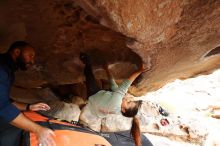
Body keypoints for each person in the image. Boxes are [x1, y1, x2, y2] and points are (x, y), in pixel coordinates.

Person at [80, 53, 145, 146]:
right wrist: (107, 69)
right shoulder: (118, 108)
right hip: (96, 109)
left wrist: (140, 70)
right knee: (113, 90)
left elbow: (126, 84)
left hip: (93, 98)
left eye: (128, 102)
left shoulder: (117, 101)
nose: (127, 100)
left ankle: (87, 61)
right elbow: (114, 86)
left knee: (89, 76)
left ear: (124, 109)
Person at [0, 41, 56, 146]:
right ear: (17, 52)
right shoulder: (1, 70)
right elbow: (3, 107)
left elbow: (5, 101)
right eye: (30, 55)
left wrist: (29, 107)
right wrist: (38, 130)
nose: (32, 61)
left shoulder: (8, 71)